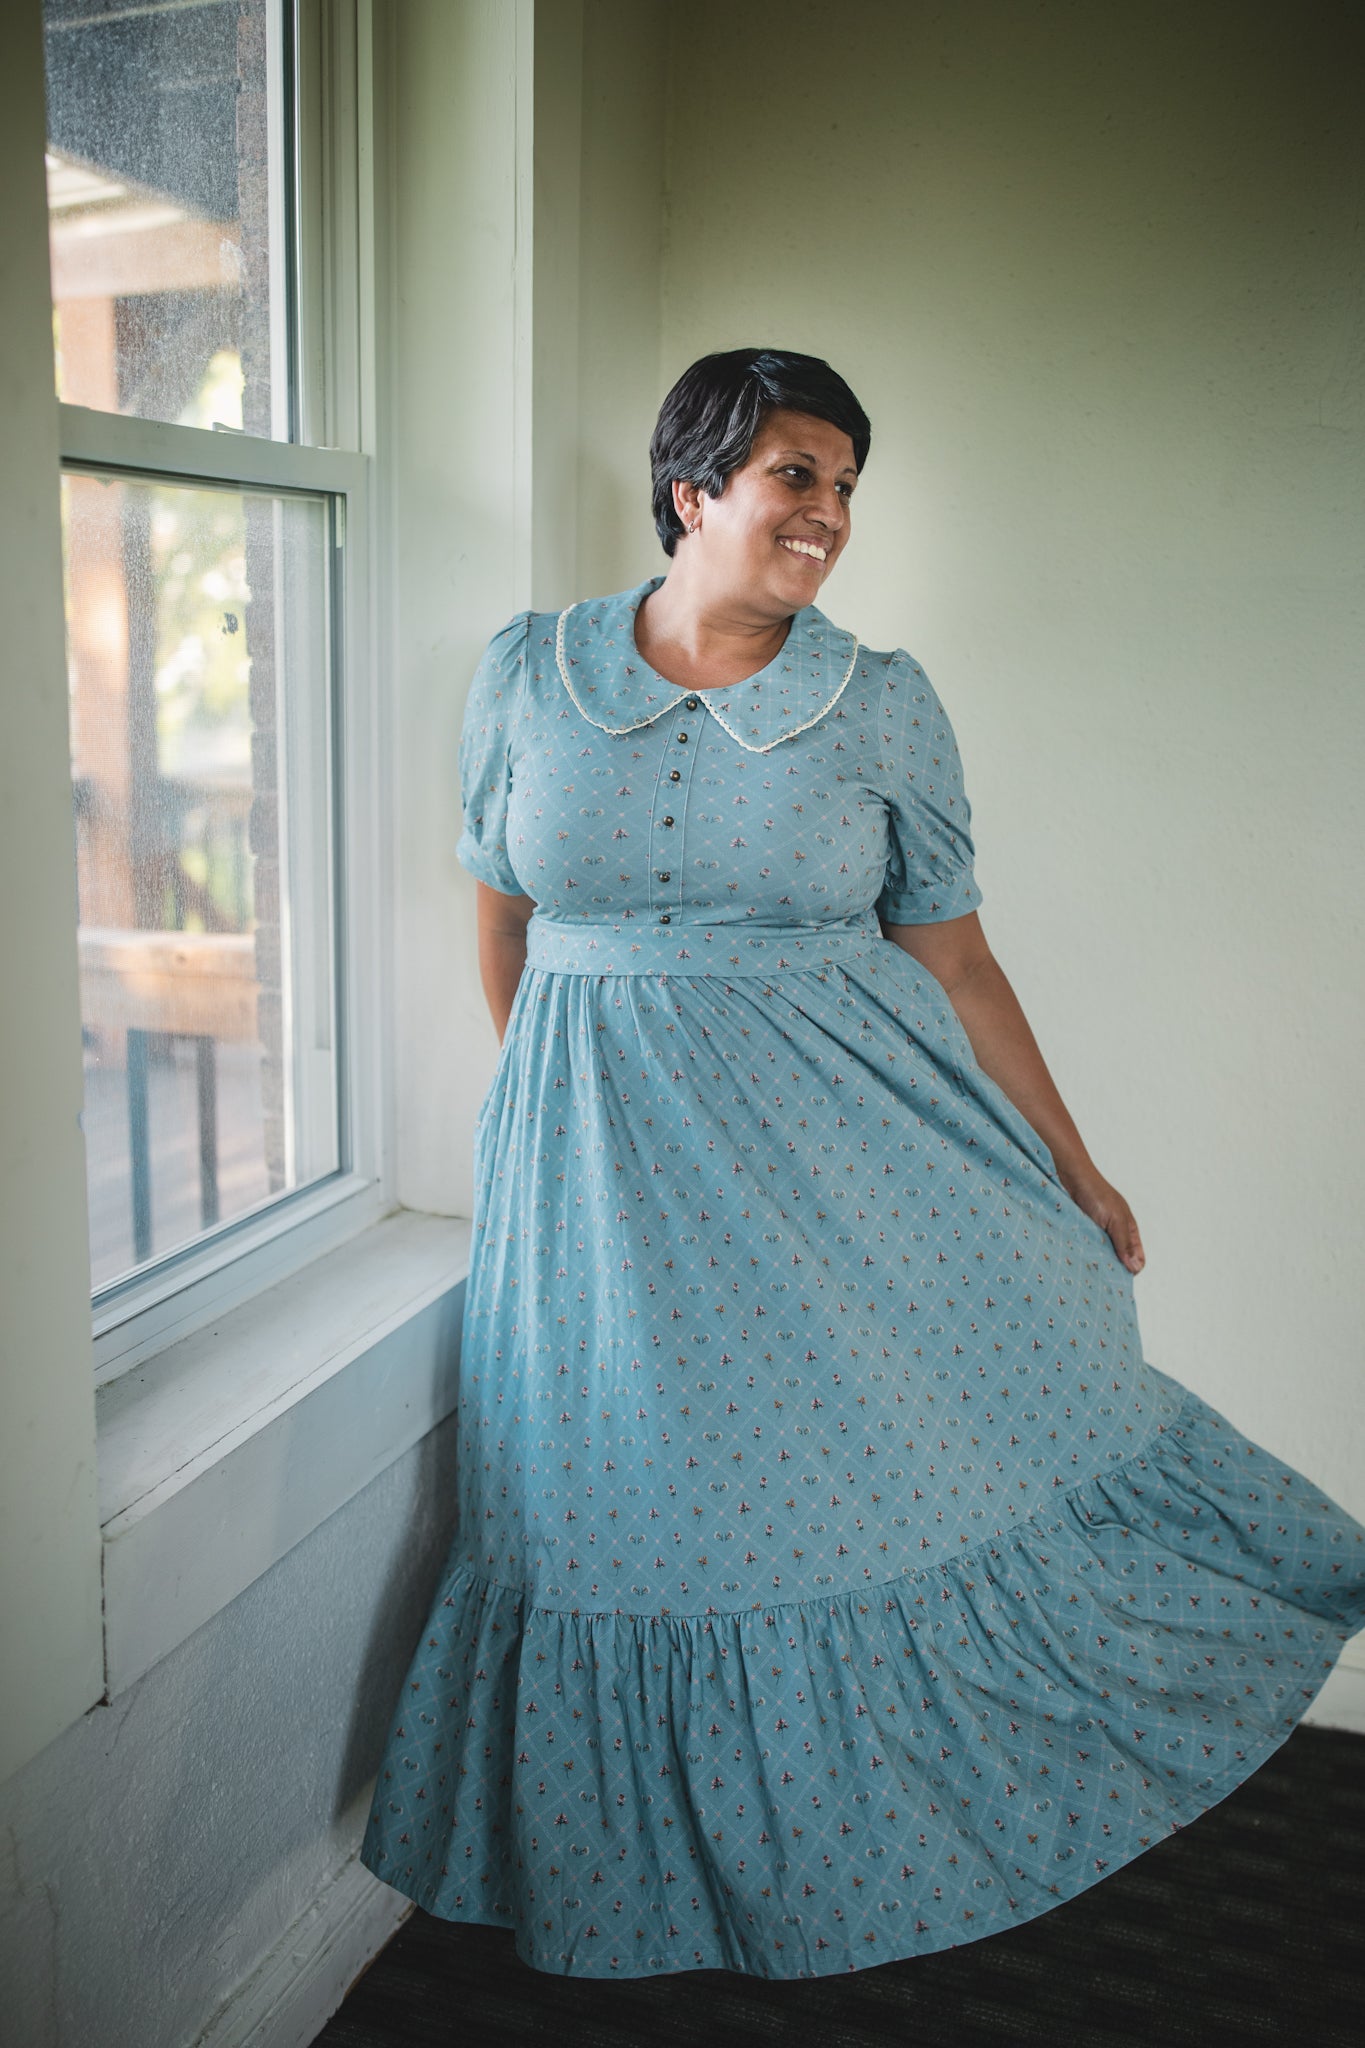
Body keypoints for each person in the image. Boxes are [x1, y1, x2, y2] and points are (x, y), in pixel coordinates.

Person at [360, 347, 1365, 1981]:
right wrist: (553, 1111)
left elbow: (958, 964)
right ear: (693, 491)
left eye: (843, 487)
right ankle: (633, 1882)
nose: (827, 515)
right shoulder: (524, 674)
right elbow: (503, 919)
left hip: (842, 1170)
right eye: (794, 478)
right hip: (595, 1189)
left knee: (837, 1503)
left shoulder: (878, 698)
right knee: (604, 1522)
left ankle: (851, 1861)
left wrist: (1075, 1166)